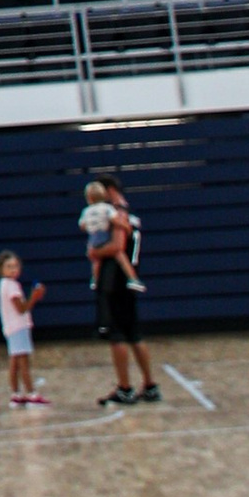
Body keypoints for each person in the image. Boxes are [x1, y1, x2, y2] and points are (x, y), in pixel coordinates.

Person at [83, 173, 159, 406]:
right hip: (124, 278)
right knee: (134, 332)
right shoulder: (125, 213)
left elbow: (117, 246)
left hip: (114, 280)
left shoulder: (114, 212)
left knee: (117, 335)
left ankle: (125, 387)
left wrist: (95, 252)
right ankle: (149, 386)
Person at [0, 251, 48, 409]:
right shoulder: (12, 286)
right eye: (9, 266)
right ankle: (31, 394)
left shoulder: (4, 285)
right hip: (18, 327)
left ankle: (16, 395)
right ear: (1, 269)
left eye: (16, 266)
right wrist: (34, 296)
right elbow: (21, 309)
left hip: (10, 328)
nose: (13, 269)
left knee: (14, 362)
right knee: (23, 362)